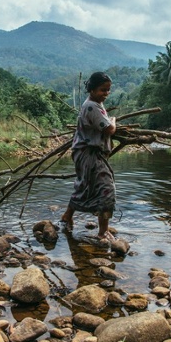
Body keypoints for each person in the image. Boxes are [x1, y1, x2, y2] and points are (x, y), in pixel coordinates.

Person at [61, 72, 116, 241]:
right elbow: (108, 129)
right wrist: (113, 121)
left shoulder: (95, 104)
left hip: (87, 153)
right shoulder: (91, 106)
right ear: (91, 89)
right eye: (102, 90)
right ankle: (102, 232)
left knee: (86, 186)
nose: (106, 93)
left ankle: (67, 216)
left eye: (108, 90)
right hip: (89, 154)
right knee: (107, 189)